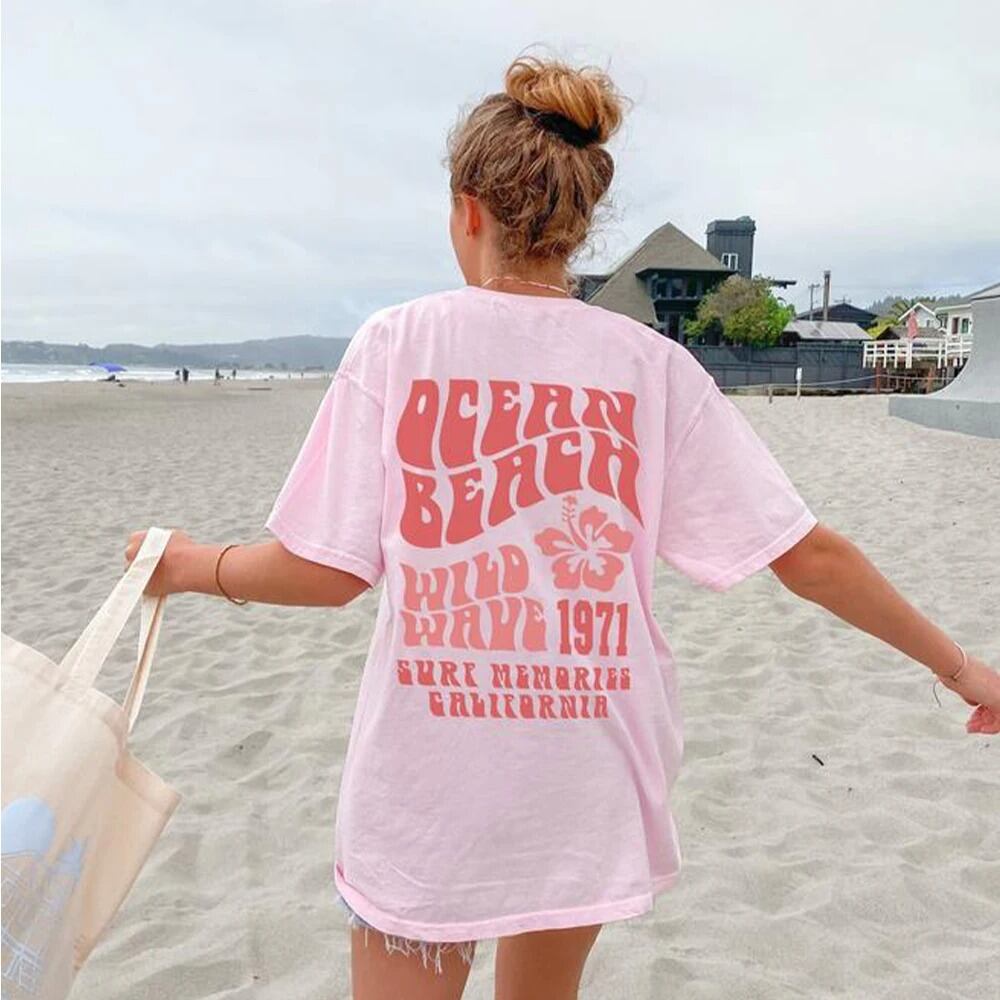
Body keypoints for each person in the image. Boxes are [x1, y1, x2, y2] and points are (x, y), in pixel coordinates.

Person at [124, 52, 1000, 1000]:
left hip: (433, 784)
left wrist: (189, 564)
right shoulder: (653, 368)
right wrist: (962, 669)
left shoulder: (400, 342)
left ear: (468, 211)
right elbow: (810, 556)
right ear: (578, 223)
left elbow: (328, 570)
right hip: (588, 773)